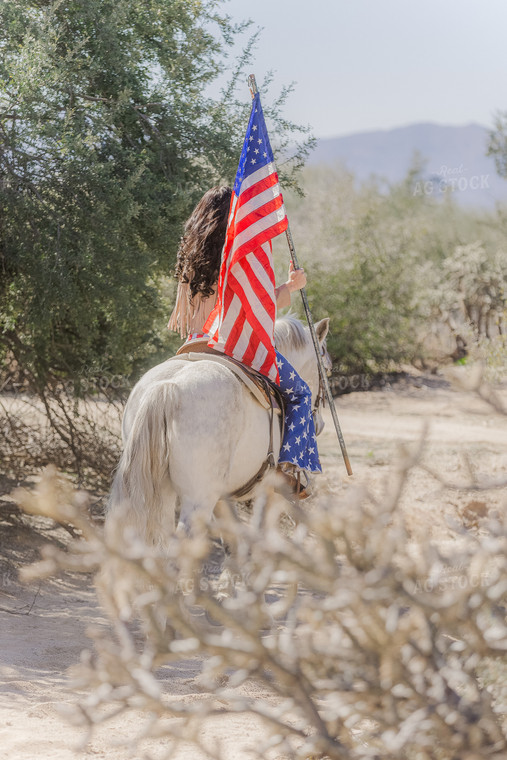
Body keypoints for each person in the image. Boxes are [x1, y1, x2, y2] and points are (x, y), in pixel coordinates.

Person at [168, 186, 321, 494]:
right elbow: (256, 310)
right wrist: (291, 287)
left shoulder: (189, 258)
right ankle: (288, 471)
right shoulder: (238, 253)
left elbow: (185, 314)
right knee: (301, 394)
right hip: (233, 345)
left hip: (192, 345)